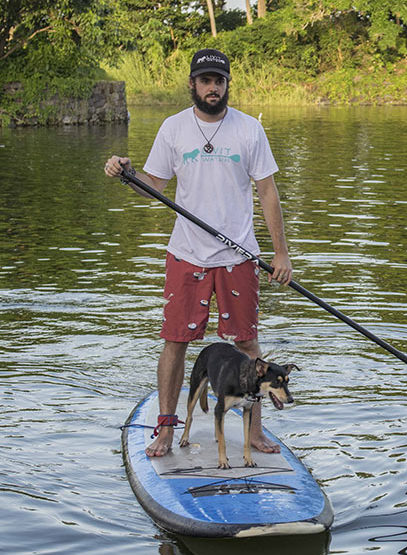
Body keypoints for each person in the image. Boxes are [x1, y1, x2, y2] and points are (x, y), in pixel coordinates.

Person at [104, 48, 292, 457]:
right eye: (205, 81)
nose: (213, 88)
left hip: (238, 256)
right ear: (192, 84)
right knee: (175, 341)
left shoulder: (248, 130)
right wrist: (126, 172)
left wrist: (281, 254)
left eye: (219, 81)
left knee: (247, 344)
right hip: (186, 254)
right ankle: (167, 429)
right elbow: (152, 184)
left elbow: (267, 192)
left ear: (227, 85)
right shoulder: (173, 129)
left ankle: (254, 432)